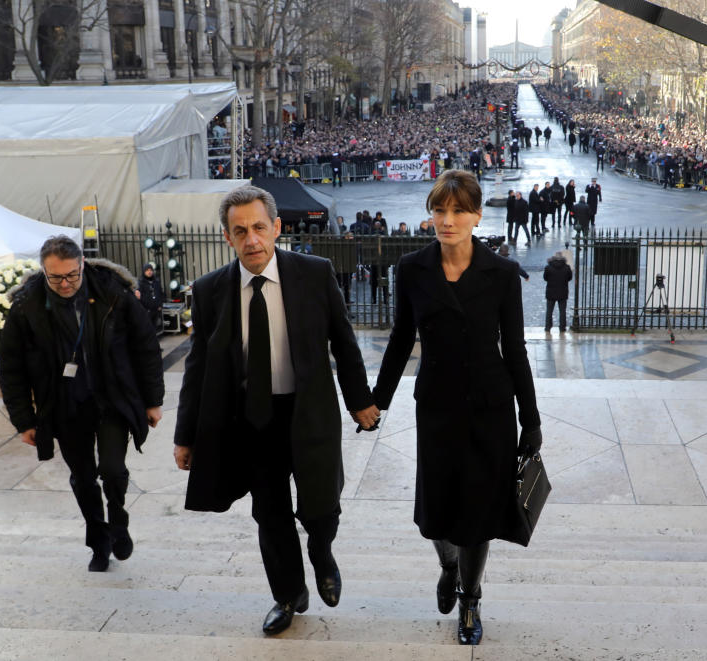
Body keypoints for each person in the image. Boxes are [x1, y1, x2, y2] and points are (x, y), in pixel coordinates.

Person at [172, 185, 380, 635]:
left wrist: (360, 401)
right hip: (253, 420)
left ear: (277, 228)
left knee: (321, 508)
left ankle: (322, 553)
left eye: (259, 228)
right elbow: (198, 366)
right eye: (240, 231)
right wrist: (184, 434)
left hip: (309, 415)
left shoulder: (315, 273)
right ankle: (287, 595)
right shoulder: (210, 291)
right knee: (270, 515)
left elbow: (345, 345)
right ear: (228, 237)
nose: (252, 239)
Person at [371, 169, 542, 646]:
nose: (448, 220)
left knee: (478, 513)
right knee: (436, 507)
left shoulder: (502, 273)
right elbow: (402, 338)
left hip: (490, 407)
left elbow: (516, 350)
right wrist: (375, 402)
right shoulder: (412, 269)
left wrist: (531, 420)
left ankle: (470, 600)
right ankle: (449, 566)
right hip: (439, 407)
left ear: (477, 215)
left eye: (459, 210)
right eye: (440, 210)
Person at [0, 236, 164, 573]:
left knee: (113, 470)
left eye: (72, 275)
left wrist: (153, 400)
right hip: (64, 405)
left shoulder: (112, 292)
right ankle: (99, 542)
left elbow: (145, 345)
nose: (65, 283)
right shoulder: (27, 306)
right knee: (84, 477)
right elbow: (11, 367)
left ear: (82, 265)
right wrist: (24, 420)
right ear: (43, 272)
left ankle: (118, 519)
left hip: (111, 398)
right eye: (55, 277)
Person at [543, 252, 572, 333]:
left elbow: (545, 278)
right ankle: (562, 327)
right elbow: (569, 278)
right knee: (562, 311)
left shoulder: (548, 267)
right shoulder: (567, 267)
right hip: (563, 291)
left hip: (551, 292)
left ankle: (548, 327)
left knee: (549, 310)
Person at [136, 262, 163, 331]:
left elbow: (161, 294)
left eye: (151, 270)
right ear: (144, 271)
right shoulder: (140, 283)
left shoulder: (156, 281)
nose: (149, 272)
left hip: (156, 309)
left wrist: (160, 305)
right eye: (147, 270)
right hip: (146, 311)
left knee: (155, 328)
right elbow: (138, 297)